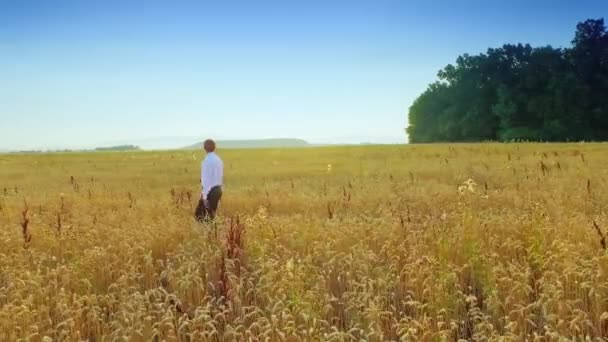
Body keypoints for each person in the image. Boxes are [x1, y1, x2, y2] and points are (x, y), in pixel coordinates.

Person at [194, 139, 223, 222]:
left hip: (210, 191)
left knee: (199, 216)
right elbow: (219, 177)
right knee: (211, 216)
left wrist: (205, 197)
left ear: (204, 148)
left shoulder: (206, 161)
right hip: (218, 190)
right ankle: (212, 232)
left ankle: (207, 233)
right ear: (214, 147)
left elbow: (206, 181)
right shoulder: (218, 160)